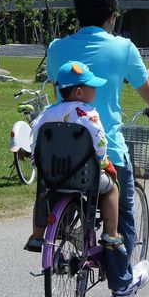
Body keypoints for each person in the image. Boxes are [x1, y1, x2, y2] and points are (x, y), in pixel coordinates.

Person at [46, 0, 149, 297]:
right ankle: (121, 284)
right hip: (107, 151)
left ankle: (61, 231)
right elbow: (147, 89)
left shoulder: (57, 47)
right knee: (124, 211)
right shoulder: (123, 48)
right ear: (112, 16)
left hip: (62, 151)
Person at [24, 61, 127, 255]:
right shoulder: (88, 114)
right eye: (92, 86)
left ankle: (37, 237)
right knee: (112, 187)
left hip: (52, 176)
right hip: (85, 177)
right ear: (79, 92)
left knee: (43, 195)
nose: (95, 90)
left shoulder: (47, 113)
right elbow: (100, 143)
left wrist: (38, 164)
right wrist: (103, 161)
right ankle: (111, 234)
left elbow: (35, 142)